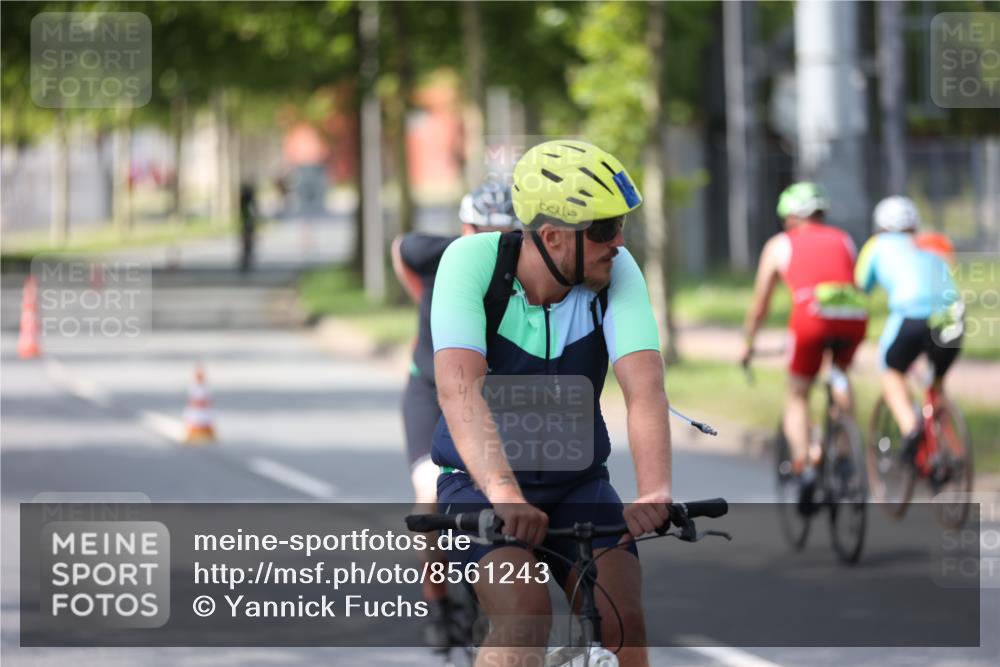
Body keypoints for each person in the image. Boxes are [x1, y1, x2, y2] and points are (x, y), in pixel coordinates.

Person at [430, 140, 670, 667]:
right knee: (524, 614)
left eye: (622, 224)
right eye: (605, 229)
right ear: (554, 236)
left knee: (622, 616)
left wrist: (654, 490)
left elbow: (645, 389)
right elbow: (458, 388)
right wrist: (505, 494)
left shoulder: (616, 272)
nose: (619, 241)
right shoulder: (471, 263)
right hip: (479, 487)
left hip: (577, 484)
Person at [390, 181, 519, 648]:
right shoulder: (437, 256)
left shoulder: (524, 272)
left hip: (487, 397)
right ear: (466, 227)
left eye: (505, 235)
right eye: (482, 231)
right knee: (430, 492)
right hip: (429, 391)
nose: (493, 243)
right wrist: (426, 297)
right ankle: (439, 602)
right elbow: (399, 249)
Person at [740, 182, 868, 511]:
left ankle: (804, 466)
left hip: (811, 318)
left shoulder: (780, 243)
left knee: (797, 395)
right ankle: (844, 454)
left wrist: (749, 343)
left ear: (791, 217)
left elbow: (760, 304)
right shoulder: (845, 238)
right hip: (854, 316)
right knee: (839, 374)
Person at [855, 196, 963, 464]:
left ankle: (910, 428)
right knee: (936, 383)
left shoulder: (877, 245)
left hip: (912, 314)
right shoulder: (933, 242)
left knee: (890, 369)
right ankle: (955, 452)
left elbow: (860, 286)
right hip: (953, 317)